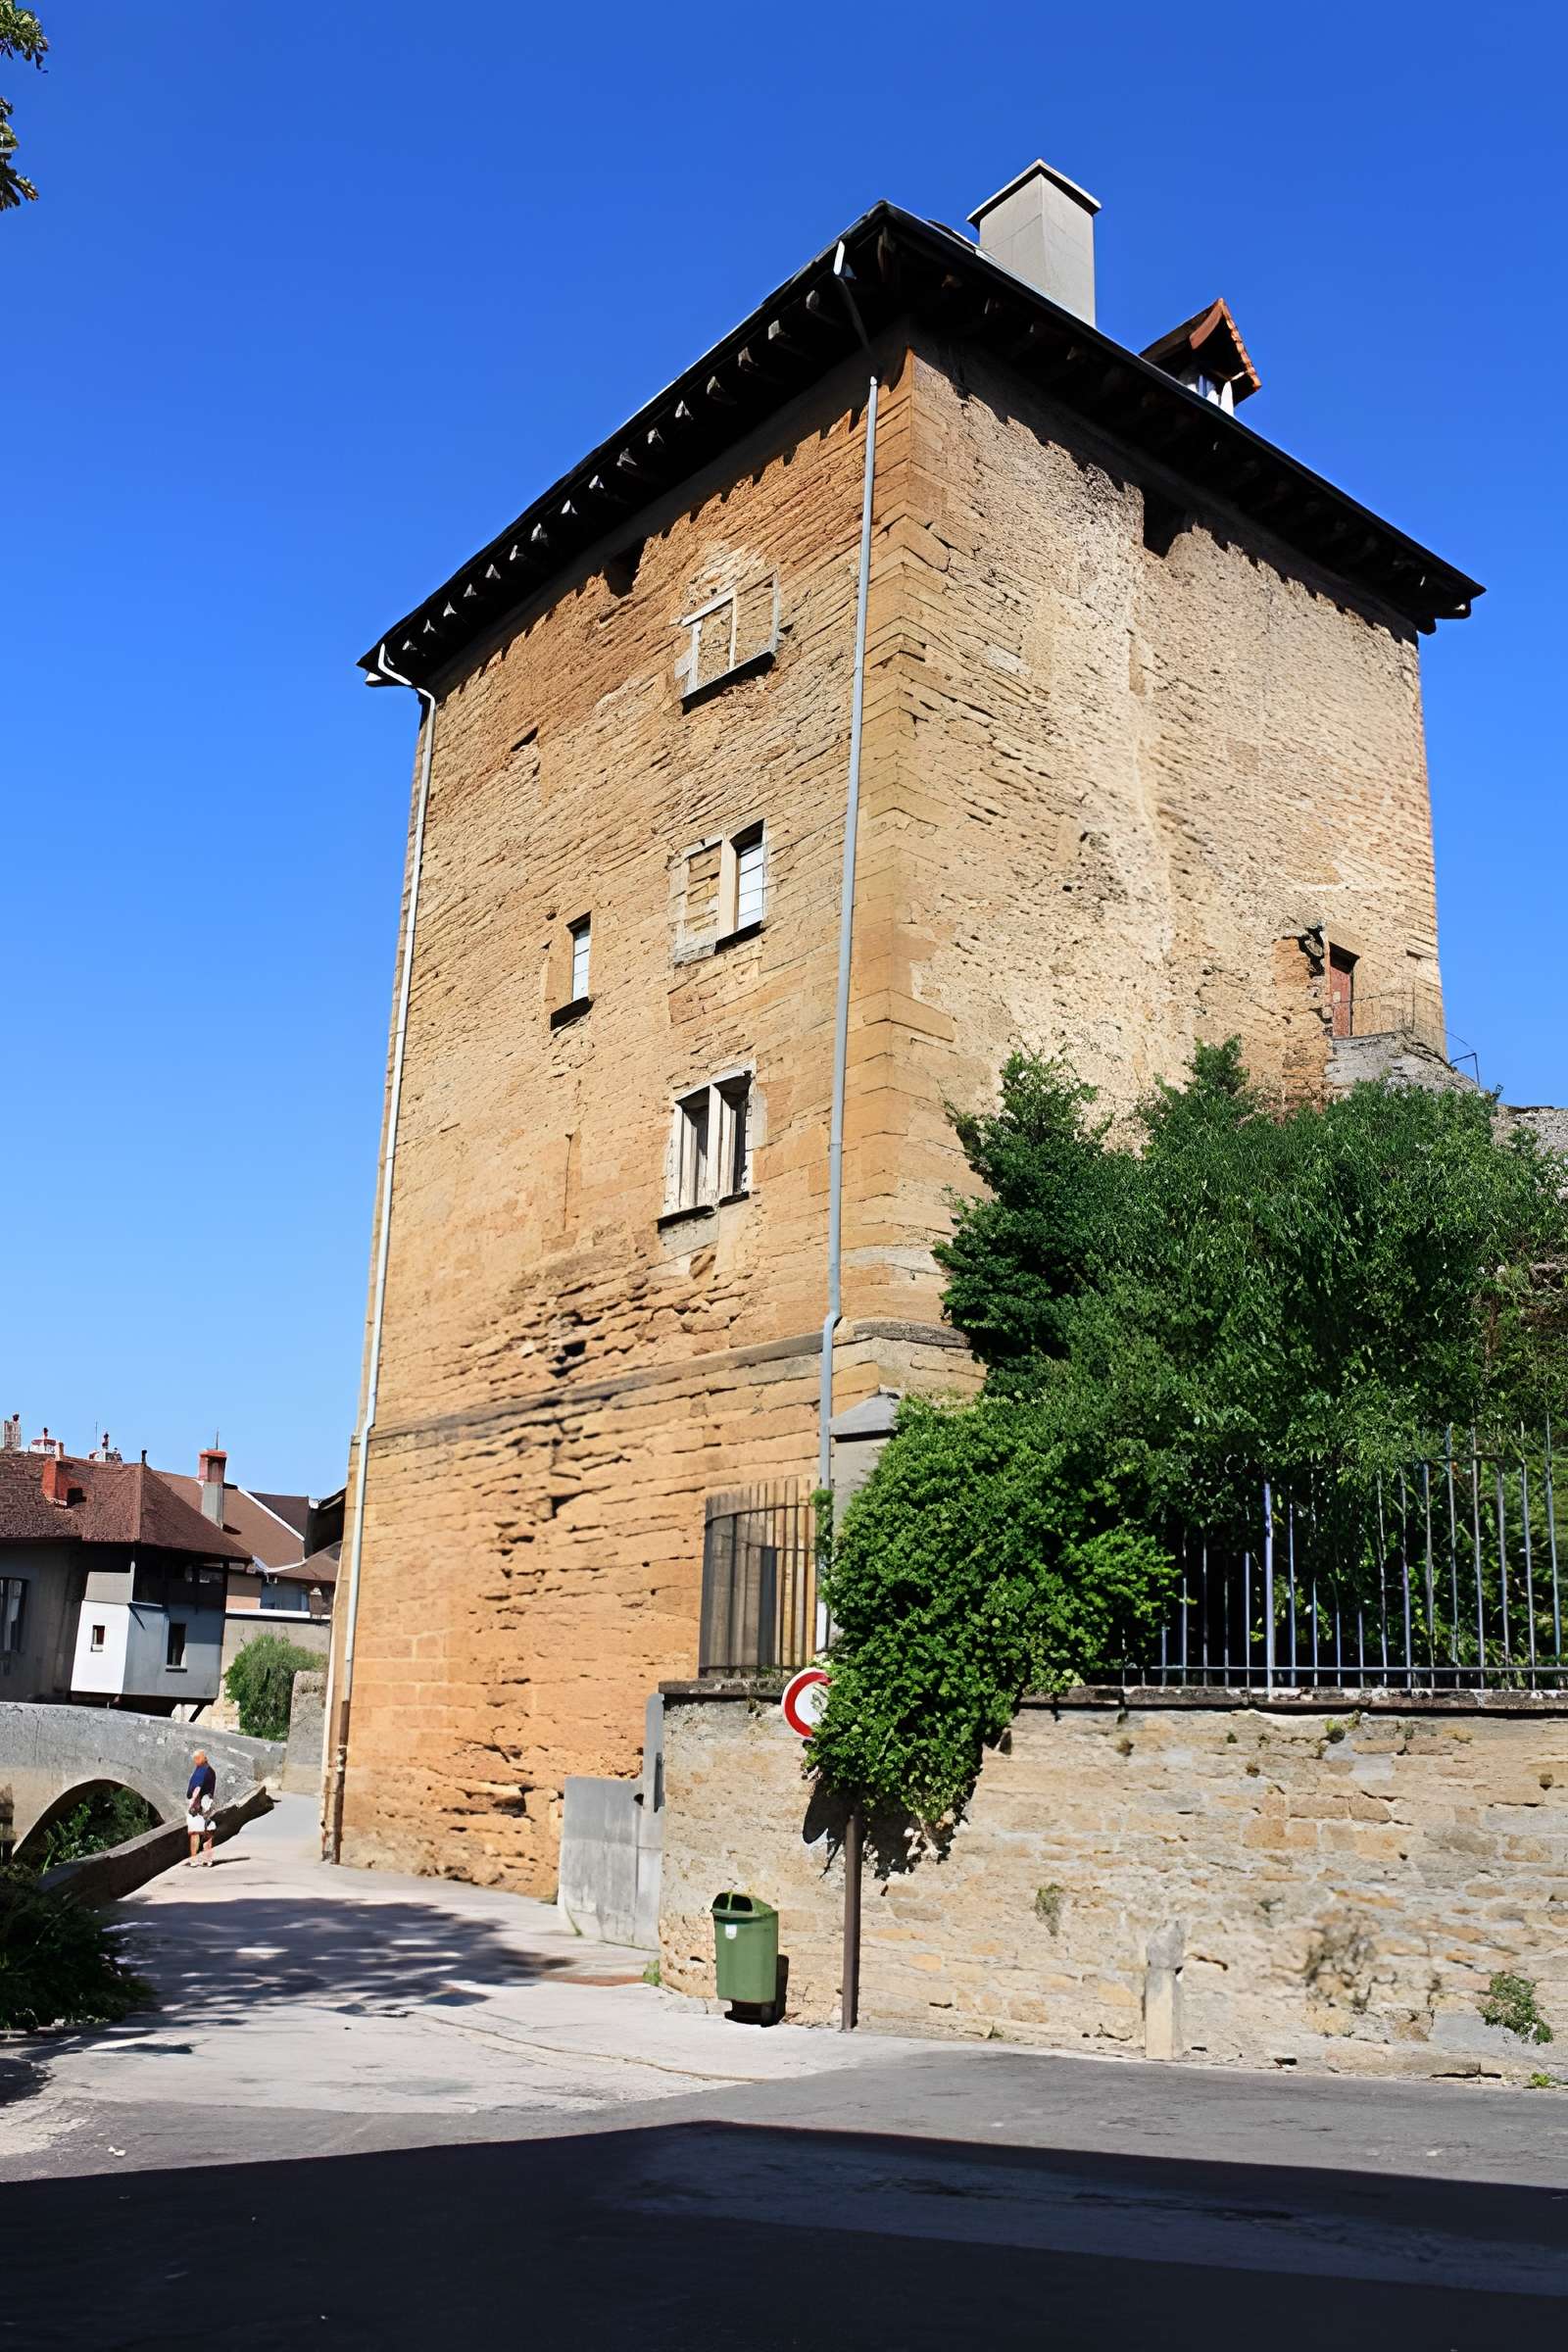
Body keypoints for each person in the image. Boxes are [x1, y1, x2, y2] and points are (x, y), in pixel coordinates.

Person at [185, 1751, 218, 1867]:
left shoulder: (202, 1771)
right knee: (208, 1832)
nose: (195, 1760)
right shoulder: (210, 1770)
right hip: (208, 1803)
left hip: (200, 1804)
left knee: (195, 1833)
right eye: (195, 1758)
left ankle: (194, 1859)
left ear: (204, 1758)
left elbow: (197, 1788)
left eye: (197, 1758)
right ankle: (207, 1859)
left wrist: (193, 1803)